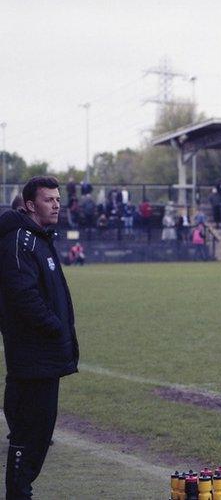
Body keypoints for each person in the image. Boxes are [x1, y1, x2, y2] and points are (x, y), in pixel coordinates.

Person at [0, 176, 80, 498]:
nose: (57, 204)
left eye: (58, 199)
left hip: (43, 355)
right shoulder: (21, 240)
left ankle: (21, 490)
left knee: (38, 429)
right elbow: (22, 293)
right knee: (31, 431)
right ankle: (19, 493)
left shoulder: (38, 238)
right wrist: (54, 325)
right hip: (33, 355)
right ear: (31, 205)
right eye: (49, 199)